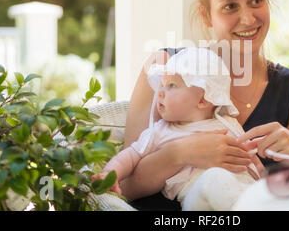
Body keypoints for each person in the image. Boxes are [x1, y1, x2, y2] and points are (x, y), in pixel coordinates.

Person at [120, 0, 289, 211]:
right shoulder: (163, 68)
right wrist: (181, 153)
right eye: (230, 6)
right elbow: (125, 186)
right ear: (206, 14)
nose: (248, 18)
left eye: (256, 0)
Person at [93, 47, 264, 210]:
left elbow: (251, 157)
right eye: (161, 84)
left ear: (203, 100)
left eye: (172, 85)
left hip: (244, 189)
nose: (160, 92)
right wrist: (110, 173)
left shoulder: (227, 123)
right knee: (214, 180)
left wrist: (264, 178)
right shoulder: (161, 131)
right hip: (199, 197)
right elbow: (130, 156)